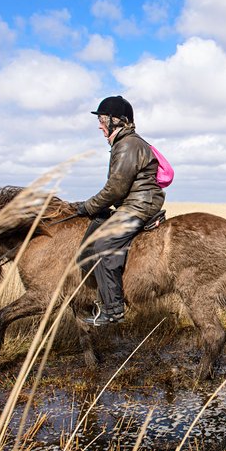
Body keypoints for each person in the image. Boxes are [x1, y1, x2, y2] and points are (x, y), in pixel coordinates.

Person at [74, 96, 165, 325]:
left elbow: (115, 189)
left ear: (117, 120)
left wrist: (88, 206)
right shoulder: (125, 143)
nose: (100, 125)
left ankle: (114, 310)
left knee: (104, 245)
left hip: (139, 205)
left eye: (103, 119)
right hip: (136, 202)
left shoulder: (127, 145)